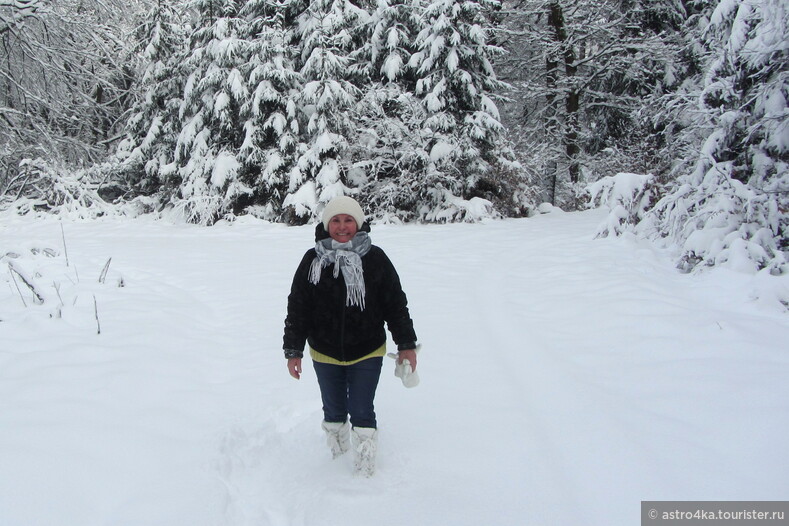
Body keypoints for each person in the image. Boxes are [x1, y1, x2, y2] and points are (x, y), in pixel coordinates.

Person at [282, 196, 418, 477]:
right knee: (333, 409)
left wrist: (406, 344)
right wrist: (293, 350)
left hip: (367, 350)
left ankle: (365, 465)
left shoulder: (375, 258)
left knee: (361, 408)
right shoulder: (313, 260)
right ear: (326, 224)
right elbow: (298, 306)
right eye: (335, 220)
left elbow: (395, 304)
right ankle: (337, 456)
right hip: (324, 351)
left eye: (348, 220)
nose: (342, 226)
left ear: (358, 223)